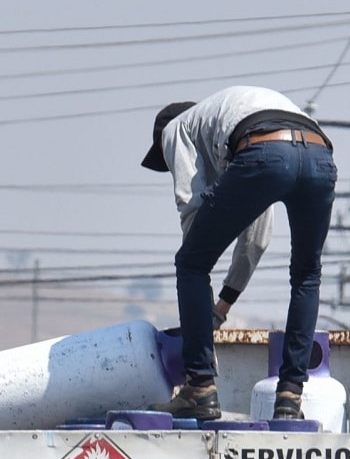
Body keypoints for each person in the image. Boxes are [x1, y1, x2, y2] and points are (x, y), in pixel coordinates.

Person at [142, 85, 338, 421]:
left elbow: (191, 209)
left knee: (189, 263)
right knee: (307, 275)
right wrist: (221, 307)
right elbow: (257, 239)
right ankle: (290, 398)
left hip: (266, 150)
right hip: (319, 155)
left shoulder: (177, 129)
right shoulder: (231, 121)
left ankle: (199, 389)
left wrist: (199, 314)